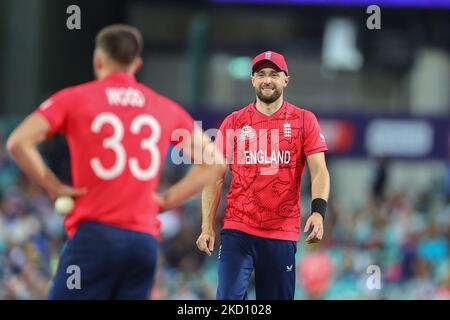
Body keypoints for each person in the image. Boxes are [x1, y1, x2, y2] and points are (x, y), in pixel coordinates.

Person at [6, 24, 223, 299]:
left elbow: (18, 141)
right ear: (137, 64)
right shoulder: (164, 107)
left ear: (98, 60)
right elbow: (215, 161)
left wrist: (53, 187)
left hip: (95, 237)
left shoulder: (74, 98)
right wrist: (167, 200)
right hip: (142, 245)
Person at [196, 51, 330, 300]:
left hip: (280, 232)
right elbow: (214, 177)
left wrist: (318, 212)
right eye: (261, 74)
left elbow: (319, 170)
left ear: (286, 80)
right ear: (252, 80)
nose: (267, 80)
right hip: (238, 228)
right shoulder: (234, 122)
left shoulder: (304, 120)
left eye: (273, 74)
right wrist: (207, 226)